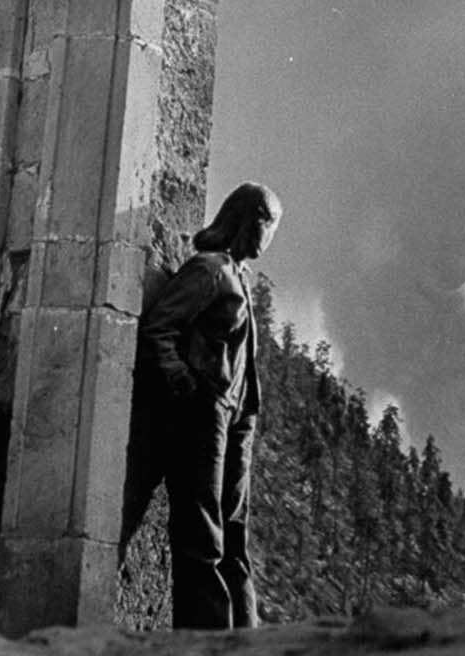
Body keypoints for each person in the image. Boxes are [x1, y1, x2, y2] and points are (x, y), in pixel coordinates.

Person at [134, 182, 282, 628]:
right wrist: (185, 384)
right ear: (251, 220)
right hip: (206, 415)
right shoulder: (210, 271)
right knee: (203, 532)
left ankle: (243, 637)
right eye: (270, 224)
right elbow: (159, 329)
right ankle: (207, 638)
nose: (271, 237)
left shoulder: (239, 275)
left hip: (237, 419)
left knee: (234, 533)